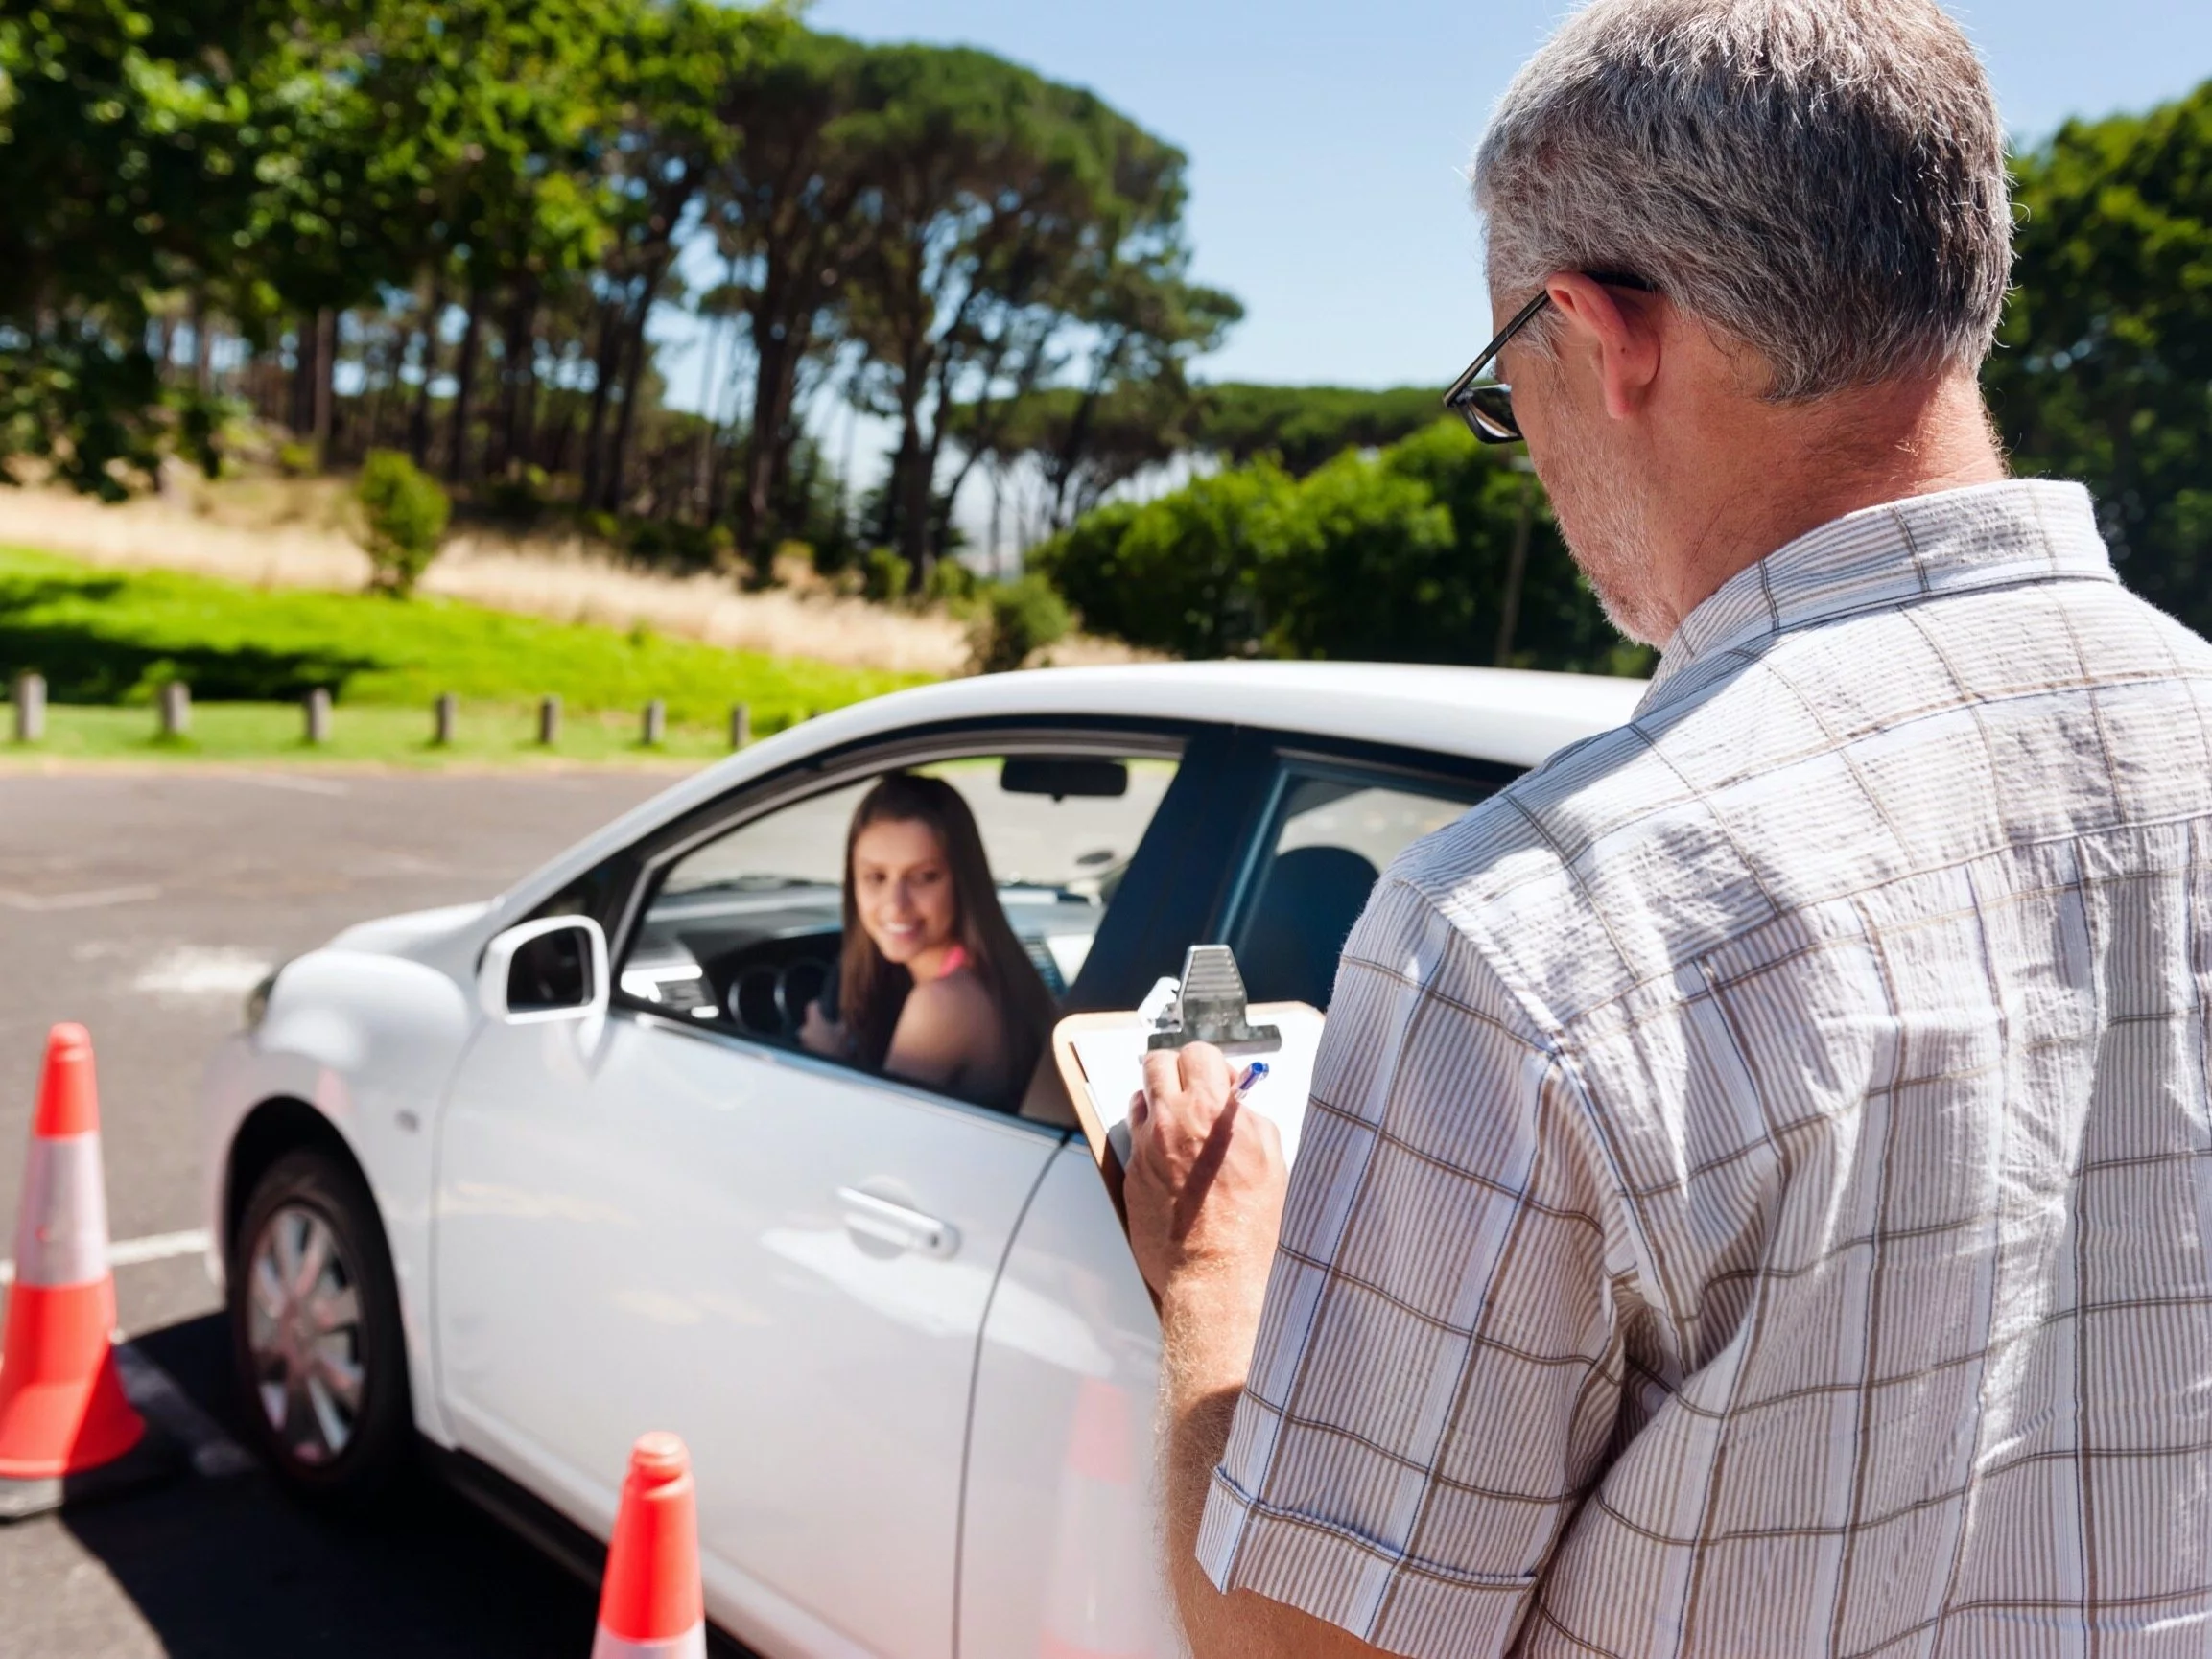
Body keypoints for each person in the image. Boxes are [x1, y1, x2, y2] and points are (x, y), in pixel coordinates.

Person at [1125, 2, 2212, 1657]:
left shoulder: (1538, 925)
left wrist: (1213, 1277)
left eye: (1506, 384)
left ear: (1602, 331)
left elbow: (1299, 1646)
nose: (1529, 448)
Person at [799, 772, 1055, 1112]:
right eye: (876, 877)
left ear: (962, 882)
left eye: (923, 878)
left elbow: (874, 1136)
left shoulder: (942, 1004)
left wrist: (826, 1058)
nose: (895, 904)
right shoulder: (989, 972)